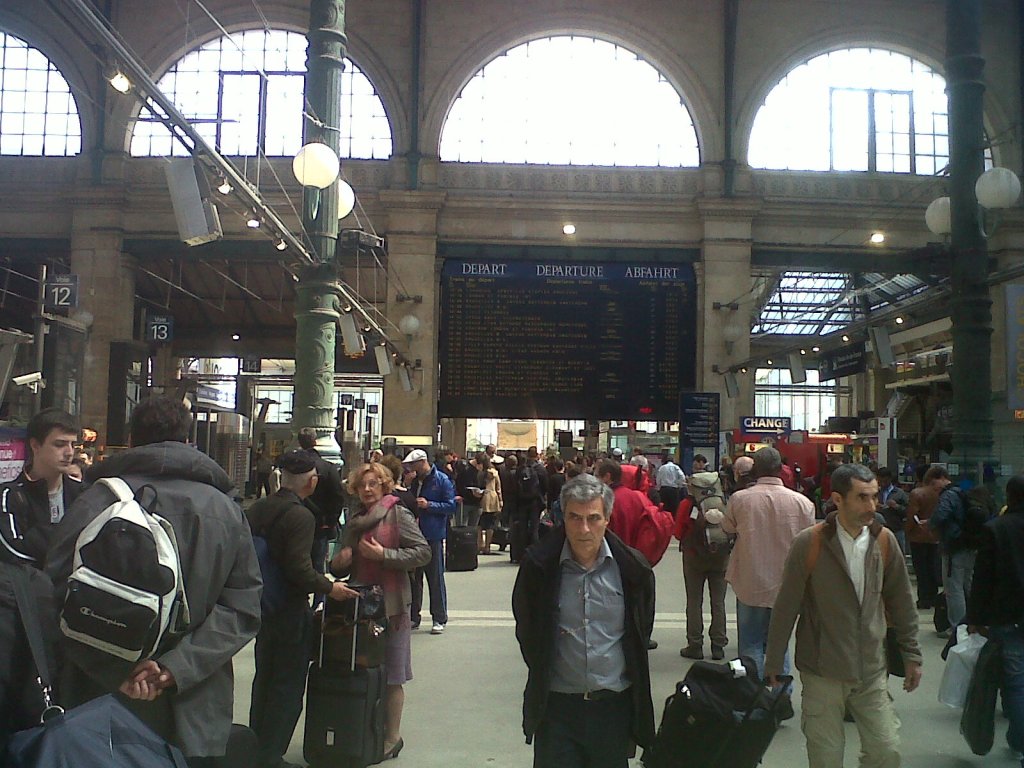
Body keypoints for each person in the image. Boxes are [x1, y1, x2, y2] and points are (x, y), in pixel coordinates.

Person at [46, 396, 262, 768]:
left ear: (132, 439)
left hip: (100, 700)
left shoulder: (97, 499)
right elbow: (242, 609)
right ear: (188, 439)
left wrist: (116, 669)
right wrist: (172, 669)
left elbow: (52, 590)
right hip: (194, 703)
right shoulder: (224, 510)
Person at [765, 463, 922, 768]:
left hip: (871, 669)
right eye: (862, 497)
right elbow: (786, 607)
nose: (872, 506)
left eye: (874, 497)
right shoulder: (809, 544)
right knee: (826, 756)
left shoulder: (884, 541)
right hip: (822, 670)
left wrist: (911, 654)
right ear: (837, 500)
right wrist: (773, 663)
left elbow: (902, 601)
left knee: (886, 750)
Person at [512, 474, 655, 768]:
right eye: (575, 518)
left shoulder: (633, 570)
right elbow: (528, 631)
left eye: (593, 518)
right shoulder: (538, 568)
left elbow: (640, 631)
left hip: (613, 708)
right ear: (562, 517)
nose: (584, 529)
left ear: (608, 519)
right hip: (557, 708)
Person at [247, 449, 358, 768]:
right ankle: (271, 753)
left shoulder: (260, 508)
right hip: (290, 608)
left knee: (264, 678)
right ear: (311, 482)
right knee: (288, 683)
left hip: (263, 605)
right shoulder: (300, 516)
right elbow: (299, 568)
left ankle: (257, 745)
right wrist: (330, 587)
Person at [330, 462, 430, 762]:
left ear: (385, 485)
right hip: (360, 606)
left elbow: (423, 552)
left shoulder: (397, 514)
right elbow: (338, 562)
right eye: (363, 485)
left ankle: (391, 736)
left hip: (393, 605)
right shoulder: (355, 519)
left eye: (374, 484)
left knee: (393, 673)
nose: (368, 490)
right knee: (362, 666)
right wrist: (341, 561)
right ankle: (364, 727)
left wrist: (384, 555)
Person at [722, 447, 814, 690]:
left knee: (751, 642)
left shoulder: (740, 499)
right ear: (780, 469)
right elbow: (809, 542)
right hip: (787, 584)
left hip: (750, 582)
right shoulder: (803, 503)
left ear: (755, 470)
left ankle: (753, 696)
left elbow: (728, 528)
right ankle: (780, 697)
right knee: (779, 642)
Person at [966, 473, 1024, 766]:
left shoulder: (996, 530)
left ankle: (1019, 741)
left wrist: (975, 617)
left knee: (1016, 681)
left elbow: (983, 578)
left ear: (1010, 497)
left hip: (1009, 615)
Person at [0, 408, 85, 566]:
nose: (69, 452)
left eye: (73, 445)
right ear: (35, 445)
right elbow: (13, 552)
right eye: (59, 444)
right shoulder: (10, 496)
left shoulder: (84, 493)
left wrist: (37, 537)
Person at [404, 449, 456, 634]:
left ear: (422, 462)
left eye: (414, 464)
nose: (411, 468)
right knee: (414, 579)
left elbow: (451, 505)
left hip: (432, 534)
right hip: (414, 535)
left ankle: (439, 617)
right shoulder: (414, 482)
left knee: (435, 577)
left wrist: (430, 505)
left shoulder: (441, 479)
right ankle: (413, 616)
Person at [296, 427, 345, 587]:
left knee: (295, 563)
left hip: (295, 524)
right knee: (318, 565)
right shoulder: (328, 467)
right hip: (320, 525)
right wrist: (330, 521)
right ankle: (319, 601)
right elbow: (338, 497)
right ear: (315, 441)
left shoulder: (293, 467)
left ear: (299, 442)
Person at [904, 465, 946, 609]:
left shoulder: (917, 493)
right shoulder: (941, 493)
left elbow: (912, 515)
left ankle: (924, 598)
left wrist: (908, 531)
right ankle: (933, 595)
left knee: (921, 569)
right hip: (935, 535)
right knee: (932, 566)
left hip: (918, 535)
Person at [875, 467, 909, 553]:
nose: (882, 484)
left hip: (896, 529)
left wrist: (896, 506)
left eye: (885, 481)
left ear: (890, 479)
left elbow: (908, 512)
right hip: (879, 530)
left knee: (899, 554)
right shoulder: (875, 493)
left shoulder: (900, 493)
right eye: (880, 481)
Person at [477, 452, 503, 554]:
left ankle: (480, 545)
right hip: (493, 498)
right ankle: (488, 546)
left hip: (482, 497)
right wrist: (500, 500)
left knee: (479, 524)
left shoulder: (480, 473)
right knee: (490, 524)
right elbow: (498, 488)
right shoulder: (495, 473)